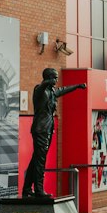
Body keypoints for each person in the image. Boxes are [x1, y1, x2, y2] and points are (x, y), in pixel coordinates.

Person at [22, 68, 85, 198]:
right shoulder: (39, 90)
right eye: (54, 78)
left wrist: (77, 86)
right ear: (48, 78)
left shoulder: (52, 92)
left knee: (36, 160)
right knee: (40, 161)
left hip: (48, 129)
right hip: (41, 130)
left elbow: (63, 90)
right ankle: (39, 190)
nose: (56, 80)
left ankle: (27, 189)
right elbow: (41, 87)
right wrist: (46, 81)